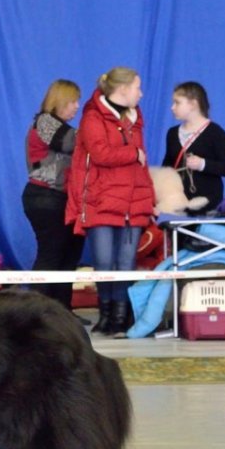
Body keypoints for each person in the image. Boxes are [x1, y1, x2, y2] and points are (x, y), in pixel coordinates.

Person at [65, 68, 154, 337]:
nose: (140, 93)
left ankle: (119, 316)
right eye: (137, 87)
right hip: (101, 201)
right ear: (123, 89)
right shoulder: (93, 117)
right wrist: (133, 152)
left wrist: (151, 198)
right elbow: (101, 153)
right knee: (104, 263)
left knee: (126, 263)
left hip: (131, 202)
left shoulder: (136, 119)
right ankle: (105, 314)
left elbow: (142, 165)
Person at [21, 79, 85, 315]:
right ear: (59, 101)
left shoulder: (58, 125)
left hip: (61, 198)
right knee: (51, 254)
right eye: (72, 101)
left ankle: (62, 313)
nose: (77, 106)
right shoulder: (45, 122)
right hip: (45, 197)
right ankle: (37, 313)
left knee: (67, 257)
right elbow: (72, 142)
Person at [161, 81, 225, 212]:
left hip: (207, 206)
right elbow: (167, 167)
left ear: (193, 104)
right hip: (178, 206)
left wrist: (203, 164)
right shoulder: (172, 133)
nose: (172, 107)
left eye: (177, 102)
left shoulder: (215, 132)